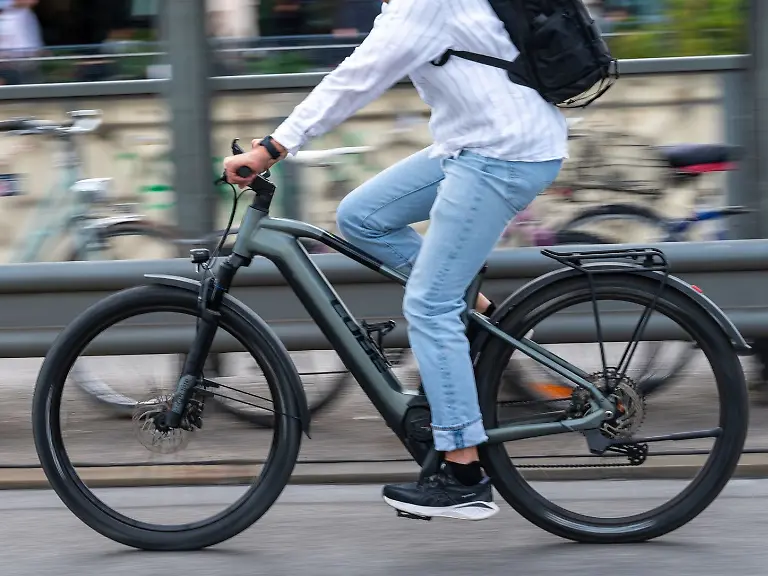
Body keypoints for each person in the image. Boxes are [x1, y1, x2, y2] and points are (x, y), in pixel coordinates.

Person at [223, 0, 567, 521]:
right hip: (471, 144)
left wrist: (272, 148)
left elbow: (357, 78)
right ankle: (479, 319)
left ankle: (463, 475)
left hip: (502, 153)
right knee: (363, 217)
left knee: (429, 306)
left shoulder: (423, 3)